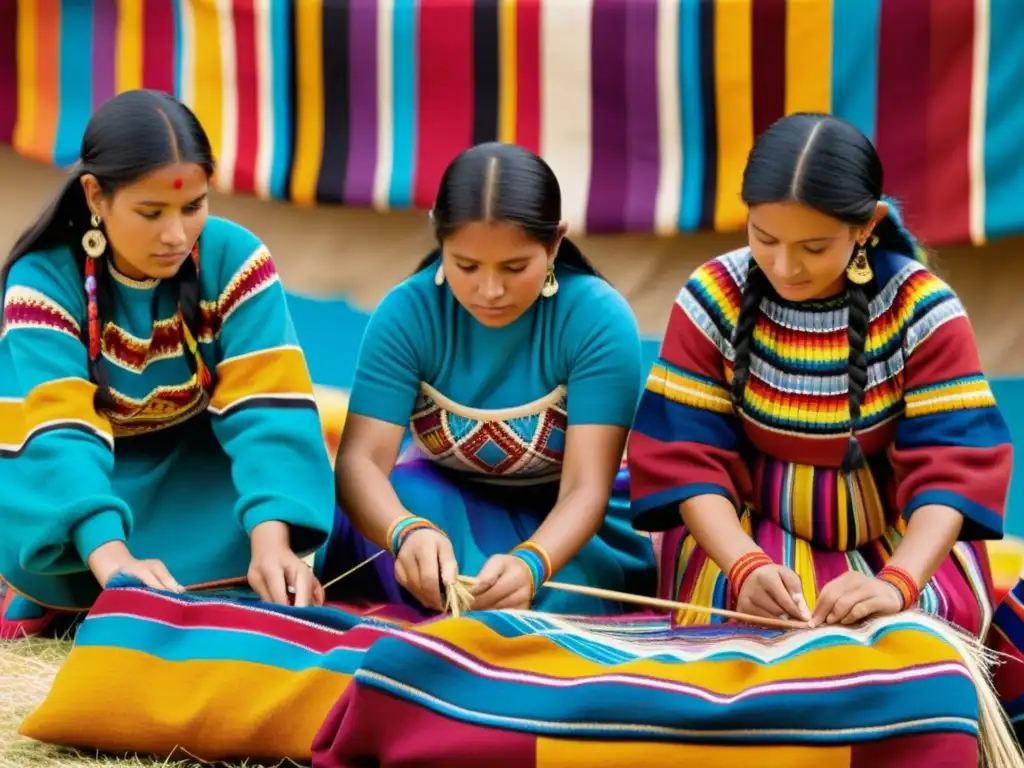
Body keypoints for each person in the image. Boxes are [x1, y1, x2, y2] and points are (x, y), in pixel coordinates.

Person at [627, 113, 1012, 636]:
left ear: (867, 225)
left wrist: (897, 584)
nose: (785, 267)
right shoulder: (712, 296)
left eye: (813, 248)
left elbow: (953, 467)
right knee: (736, 630)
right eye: (765, 238)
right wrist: (743, 566)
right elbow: (685, 459)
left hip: (905, 542)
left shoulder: (921, 309)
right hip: (744, 532)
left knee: (915, 638)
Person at [0, 89, 335, 639]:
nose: (177, 234)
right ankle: (71, 580)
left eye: (193, 206)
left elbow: (267, 410)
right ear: (95, 196)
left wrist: (271, 540)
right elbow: (60, 432)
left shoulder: (234, 259)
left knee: (271, 516)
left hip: (197, 473)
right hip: (79, 480)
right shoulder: (43, 282)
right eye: (151, 212)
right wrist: (112, 560)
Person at [318, 142, 657, 615]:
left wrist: (532, 564)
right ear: (439, 238)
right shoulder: (406, 315)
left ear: (555, 242)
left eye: (515, 268)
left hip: (568, 532)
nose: (490, 290)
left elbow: (585, 489)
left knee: (559, 602)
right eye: (467, 266)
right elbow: (359, 463)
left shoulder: (597, 320)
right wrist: (406, 532)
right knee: (395, 509)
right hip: (443, 511)